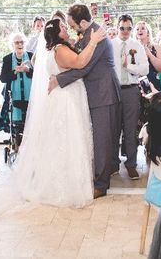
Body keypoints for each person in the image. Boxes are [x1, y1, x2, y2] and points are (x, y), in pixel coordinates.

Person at [15, 18, 106, 207]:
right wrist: (93, 41)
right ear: (56, 33)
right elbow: (80, 62)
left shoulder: (56, 48)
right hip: (67, 100)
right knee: (69, 139)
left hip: (64, 96)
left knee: (61, 139)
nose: (66, 28)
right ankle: (67, 188)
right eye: (63, 27)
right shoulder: (60, 49)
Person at [49, 4, 122, 199]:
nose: (72, 29)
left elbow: (85, 67)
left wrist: (59, 80)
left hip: (103, 93)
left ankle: (101, 185)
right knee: (98, 139)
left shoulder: (97, 35)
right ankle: (100, 174)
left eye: (73, 25)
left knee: (102, 141)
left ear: (82, 22)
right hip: (93, 93)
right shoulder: (86, 35)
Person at [112, 14, 149, 179]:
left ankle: (131, 164)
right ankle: (113, 164)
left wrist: (129, 66)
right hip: (113, 91)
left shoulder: (137, 46)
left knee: (130, 129)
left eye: (128, 28)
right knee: (113, 129)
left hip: (131, 90)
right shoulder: (110, 45)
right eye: (122, 28)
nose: (125, 31)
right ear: (117, 28)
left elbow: (145, 69)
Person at [0, 32, 33, 142]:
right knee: (16, 126)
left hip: (30, 96)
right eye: (17, 42)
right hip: (13, 97)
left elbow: (39, 76)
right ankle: (15, 141)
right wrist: (15, 71)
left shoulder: (31, 56)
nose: (20, 45)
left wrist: (27, 70)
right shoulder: (7, 59)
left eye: (22, 42)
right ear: (12, 45)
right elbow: (2, 78)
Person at [136, 21, 161, 91]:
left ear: (148, 32)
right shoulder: (132, 48)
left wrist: (150, 54)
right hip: (137, 83)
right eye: (137, 29)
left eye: (143, 28)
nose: (139, 30)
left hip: (154, 82)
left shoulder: (157, 47)